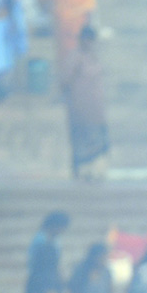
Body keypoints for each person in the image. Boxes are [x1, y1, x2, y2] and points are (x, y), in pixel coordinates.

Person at [60, 24, 109, 179]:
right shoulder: (75, 57)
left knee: (98, 141)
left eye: (91, 40)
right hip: (80, 110)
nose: (89, 42)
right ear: (81, 39)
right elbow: (64, 81)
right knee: (81, 141)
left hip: (96, 111)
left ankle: (96, 170)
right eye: (86, 39)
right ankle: (81, 171)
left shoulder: (94, 57)